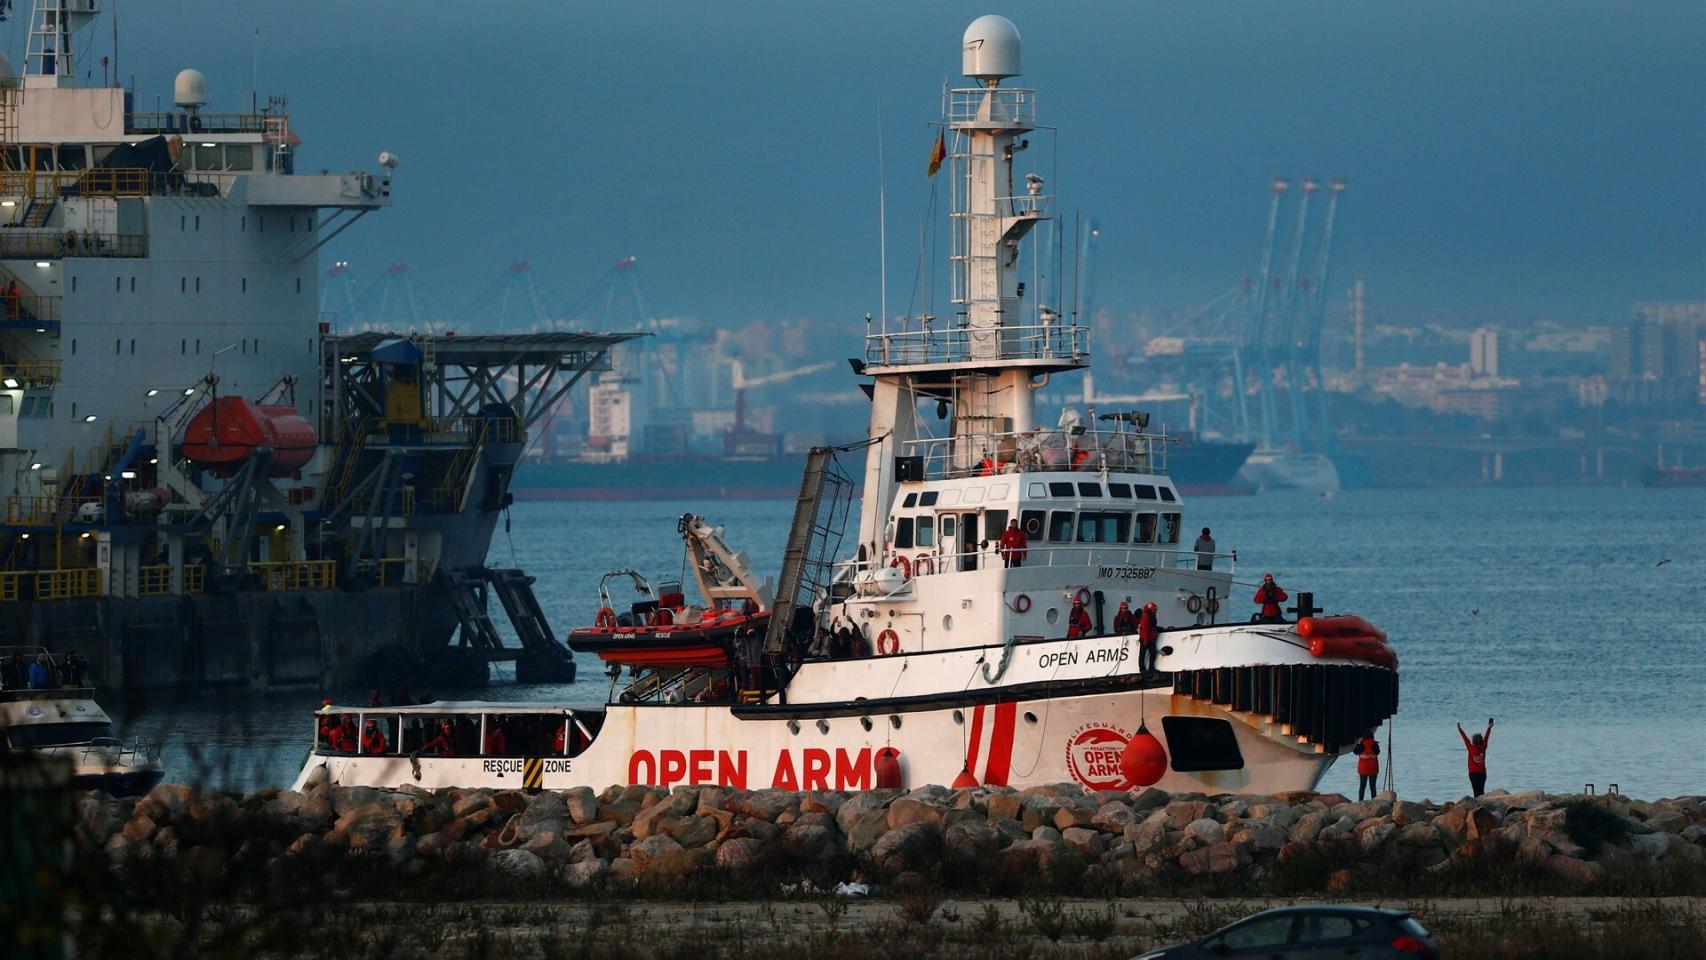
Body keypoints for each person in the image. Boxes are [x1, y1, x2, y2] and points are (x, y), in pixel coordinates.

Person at [1458, 718, 1493, 797]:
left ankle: (1477, 804)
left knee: (1475, 790)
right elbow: (1486, 737)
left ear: (1473, 741)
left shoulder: (1470, 747)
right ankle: (1482, 803)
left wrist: (1460, 729)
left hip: (1473, 773)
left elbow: (1465, 739)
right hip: (1482, 773)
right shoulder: (1483, 747)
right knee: (1481, 790)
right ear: (1481, 741)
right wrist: (1489, 728)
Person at [1352, 729, 1381, 801]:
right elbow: (1378, 752)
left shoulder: (1361, 745)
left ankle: (1360, 801)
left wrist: (1358, 743)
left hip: (1363, 769)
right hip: (1373, 768)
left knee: (1362, 786)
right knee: (1373, 786)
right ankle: (1374, 801)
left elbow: (1355, 752)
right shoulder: (1374, 744)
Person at [1137, 602, 1160, 675]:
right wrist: (1146, 641)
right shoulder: (1146, 618)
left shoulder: (1151, 617)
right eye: (1154, 609)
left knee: (1153, 653)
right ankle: (1142, 669)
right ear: (1150, 610)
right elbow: (1145, 629)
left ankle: (1151, 668)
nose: (1156, 611)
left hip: (1150, 638)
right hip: (1145, 639)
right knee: (1143, 654)